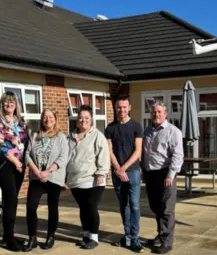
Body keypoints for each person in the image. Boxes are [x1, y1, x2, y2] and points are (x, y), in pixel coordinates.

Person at [23, 109, 69, 251]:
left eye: (50, 117)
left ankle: (50, 236)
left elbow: (63, 157)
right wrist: (37, 172)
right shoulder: (34, 135)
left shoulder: (61, 137)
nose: (47, 119)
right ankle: (32, 238)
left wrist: (48, 171)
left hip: (53, 176)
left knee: (52, 206)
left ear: (55, 119)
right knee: (31, 206)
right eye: (45, 117)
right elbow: (27, 154)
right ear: (41, 120)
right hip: (36, 177)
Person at [66, 105, 111, 250]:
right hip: (75, 180)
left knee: (91, 207)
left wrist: (100, 173)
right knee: (83, 208)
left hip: (93, 179)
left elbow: (104, 156)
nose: (83, 120)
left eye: (86, 118)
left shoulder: (98, 136)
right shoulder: (70, 137)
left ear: (91, 120)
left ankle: (94, 237)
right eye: (80, 117)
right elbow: (66, 158)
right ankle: (86, 234)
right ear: (76, 119)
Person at [142, 102, 184, 254]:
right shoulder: (147, 131)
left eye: (159, 112)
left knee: (167, 210)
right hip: (150, 175)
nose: (156, 114)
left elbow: (178, 156)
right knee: (156, 208)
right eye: (154, 112)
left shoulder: (173, 131)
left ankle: (167, 241)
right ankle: (160, 235)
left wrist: (171, 175)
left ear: (165, 114)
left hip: (165, 175)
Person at [105, 95, 144, 253]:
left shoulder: (136, 126)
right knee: (123, 205)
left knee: (134, 205)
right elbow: (109, 151)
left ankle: (135, 238)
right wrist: (117, 168)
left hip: (133, 171)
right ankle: (127, 236)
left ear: (129, 108)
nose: (121, 110)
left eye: (124, 107)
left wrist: (124, 168)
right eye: (118, 107)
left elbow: (138, 151)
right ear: (115, 108)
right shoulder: (110, 128)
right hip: (117, 172)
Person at [0, 91, 29, 252]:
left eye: (12, 101)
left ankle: (8, 236)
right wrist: (16, 162)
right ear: (1, 104)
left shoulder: (20, 121)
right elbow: (0, 144)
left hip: (19, 165)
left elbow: (26, 141)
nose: (9, 104)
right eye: (6, 102)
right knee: (12, 200)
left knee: (9, 201)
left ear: (16, 104)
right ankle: (9, 240)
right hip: (4, 164)